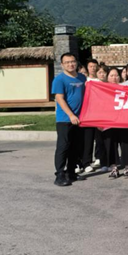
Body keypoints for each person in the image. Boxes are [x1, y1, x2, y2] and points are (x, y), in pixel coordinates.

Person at [52, 53, 88, 186]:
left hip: (80, 119)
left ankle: (71, 172)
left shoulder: (82, 78)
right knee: (63, 147)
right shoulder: (59, 79)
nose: (70, 64)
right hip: (65, 119)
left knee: (76, 146)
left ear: (76, 62)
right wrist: (71, 115)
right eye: (67, 62)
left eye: (72, 61)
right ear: (62, 65)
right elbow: (59, 98)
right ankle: (59, 175)